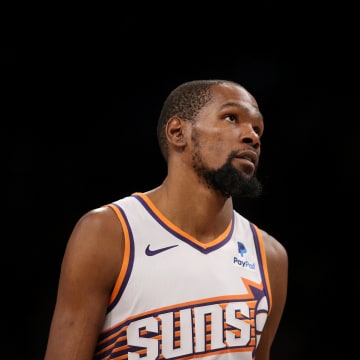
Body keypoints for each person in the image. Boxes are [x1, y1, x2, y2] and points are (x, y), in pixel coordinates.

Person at [44, 79, 288, 360]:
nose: (252, 136)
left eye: (258, 129)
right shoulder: (109, 232)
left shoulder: (269, 257)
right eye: (231, 118)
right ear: (177, 132)